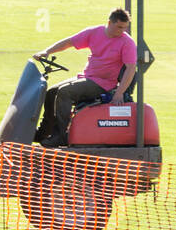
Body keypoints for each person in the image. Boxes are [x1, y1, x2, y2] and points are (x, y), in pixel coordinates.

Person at [32, 8, 138, 148]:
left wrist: (118, 94)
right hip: (88, 77)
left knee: (65, 92)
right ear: (109, 22)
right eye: (119, 27)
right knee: (51, 92)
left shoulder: (127, 43)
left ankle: (61, 136)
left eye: (125, 28)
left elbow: (130, 69)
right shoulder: (95, 32)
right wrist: (47, 51)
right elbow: (69, 42)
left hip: (104, 83)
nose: (122, 31)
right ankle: (44, 133)